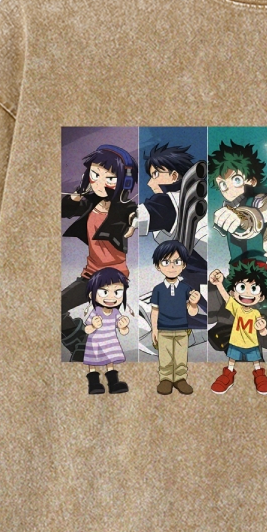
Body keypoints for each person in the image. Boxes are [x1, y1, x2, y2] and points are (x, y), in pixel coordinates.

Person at [61, 145, 138, 324]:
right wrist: (78, 192)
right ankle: (77, 335)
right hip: (90, 273)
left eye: (109, 178)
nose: (99, 182)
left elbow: (133, 215)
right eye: (95, 175)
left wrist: (133, 225)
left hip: (111, 277)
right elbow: (65, 210)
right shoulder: (92, 202)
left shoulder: (125, 207)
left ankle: (80, 336)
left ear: (125, 182)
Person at [208, 261, 267, 395]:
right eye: (242, 287)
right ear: (233, 292)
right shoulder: (236, 308)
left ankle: (259, 376)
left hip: (252, 344)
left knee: (256, 361)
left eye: (254, 289)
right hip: (235, 343)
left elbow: (263, 332)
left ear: (261, 297)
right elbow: (226, 297)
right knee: (231, 361)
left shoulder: (256, 313)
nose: (247, 293)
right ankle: (228, 376)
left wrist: (262, 329)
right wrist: (219, 284)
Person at [209, 140, 267, 260]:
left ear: (252, 181)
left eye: (236, 180)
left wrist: (250, 217)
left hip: (264, 256)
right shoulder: (227, 207)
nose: (229, 189)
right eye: (223, 185)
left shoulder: (256, 199)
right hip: (238, 263)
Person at [149, 239, 201, 395]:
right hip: (163, 329)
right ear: (158, 266)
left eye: (177, 262)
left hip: (182, 330)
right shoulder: (158, 289)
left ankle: (180, 380)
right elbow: (154, 311)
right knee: (165, 357)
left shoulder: (186, 288)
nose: (172, 267)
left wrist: (193, 304)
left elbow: (192, 312)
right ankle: (165, 380)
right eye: (166, 262)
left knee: (180, 357)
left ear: (183, 265)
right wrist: (154, 329)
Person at [81, 267, 131, 394]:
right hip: (96, 344)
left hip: (110, 343)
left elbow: (123, 332)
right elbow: (87, 329)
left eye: (117, 292)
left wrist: (124, 327)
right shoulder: (95, 312)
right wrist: (93, 326)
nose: (111, 297)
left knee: (110, 363)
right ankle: (94, 384)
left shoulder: (116, 313)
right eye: (104, 292)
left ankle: (113, 384)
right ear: (92, 295)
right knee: (93, 364)